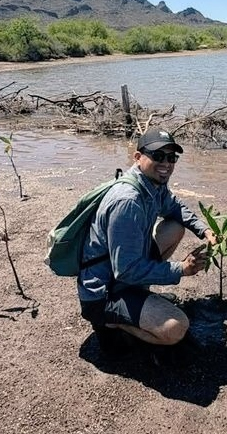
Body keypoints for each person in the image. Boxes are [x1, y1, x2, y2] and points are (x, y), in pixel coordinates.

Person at [78, 127, 215, 347]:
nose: (166, 163)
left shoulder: (152, 184)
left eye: (171, 157)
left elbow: (174, 207)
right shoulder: (128, 202)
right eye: (158, 156)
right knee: (176, 327)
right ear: (137, 157)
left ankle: (139, 296)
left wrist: (204, 230)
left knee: (175, 227)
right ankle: (111, 323)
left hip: (121, 275)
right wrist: (181, 269)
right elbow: (126, 270)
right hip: (103, 293)